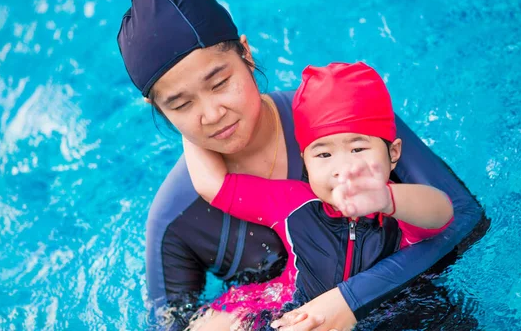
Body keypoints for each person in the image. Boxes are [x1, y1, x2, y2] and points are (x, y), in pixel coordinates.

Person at [116, 0, 484, 331]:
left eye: (220, 83)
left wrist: (349, 300)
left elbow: (465, 218)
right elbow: (171, 323)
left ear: (246, 53)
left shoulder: (344, 114)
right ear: (159, 109)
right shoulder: (174, 219)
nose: (212, 114)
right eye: (181, 104)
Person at [182, 62, 454, 330]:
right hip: (292, 314)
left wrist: (388, 200)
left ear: (393, 154)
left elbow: (443, 212)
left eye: (358, 149)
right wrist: (186, 112)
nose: (342, 168)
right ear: (305, 161)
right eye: (323, 154)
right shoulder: (292, 201)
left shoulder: (399, 212)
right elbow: (213, 185)